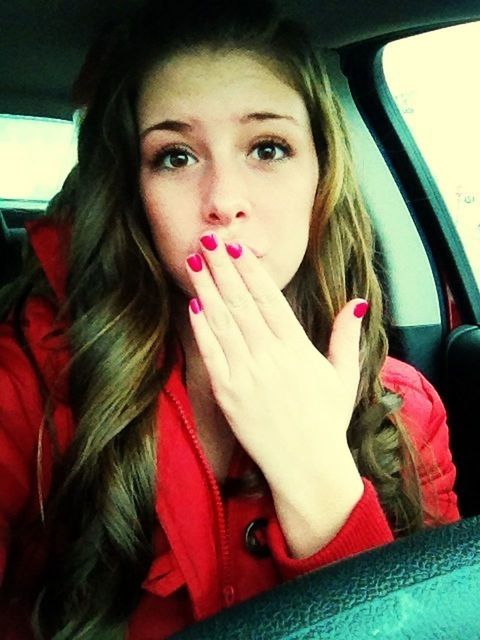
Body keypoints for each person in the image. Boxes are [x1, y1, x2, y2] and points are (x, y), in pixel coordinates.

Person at [0, 0, 460, 637]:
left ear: (322, 177)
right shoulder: (26, 385)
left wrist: (321, 485)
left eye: (268, 148)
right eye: (176, 157)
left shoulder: (407, 410)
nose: (223, 202)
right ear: (137, 198)